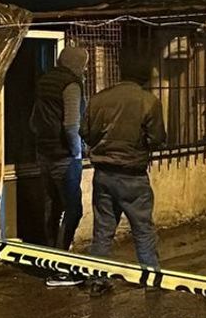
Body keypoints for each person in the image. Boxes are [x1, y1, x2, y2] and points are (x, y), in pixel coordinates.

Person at [83, 55, 166, 293]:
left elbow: (84, 132)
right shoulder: (148, 101)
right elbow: (157, 138)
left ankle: (98, 280)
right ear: (145, 76)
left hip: (104, 175)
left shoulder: (98, 99)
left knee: (103, 230)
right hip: (133, 176)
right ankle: (151, 277)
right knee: (142, 229)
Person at [28, 46, 89, 288]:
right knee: (72, 210)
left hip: (44, 153)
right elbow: (71, 124)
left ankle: (50, 260)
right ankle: (61, 269)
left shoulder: (45, 81)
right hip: (64, 156)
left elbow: (34, 120)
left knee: (53, 207)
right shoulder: (70, 85)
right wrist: (77, 152)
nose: (85, 69)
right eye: (84, 64)